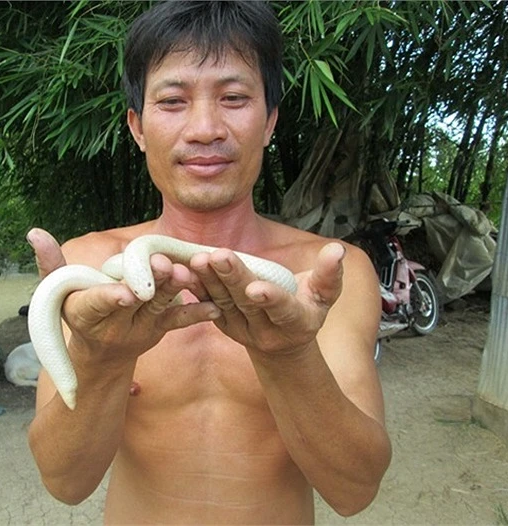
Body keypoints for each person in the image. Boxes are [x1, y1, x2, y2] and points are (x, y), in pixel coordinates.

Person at [27, 1, 391, 524]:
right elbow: (64, 483)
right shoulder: (87, 271)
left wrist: (290, 356)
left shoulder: (327, 278)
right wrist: (99, 359)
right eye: (173, 101)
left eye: (234, 98)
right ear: (137, 127)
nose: (204, 128)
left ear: (269, 122)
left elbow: (354, 491)